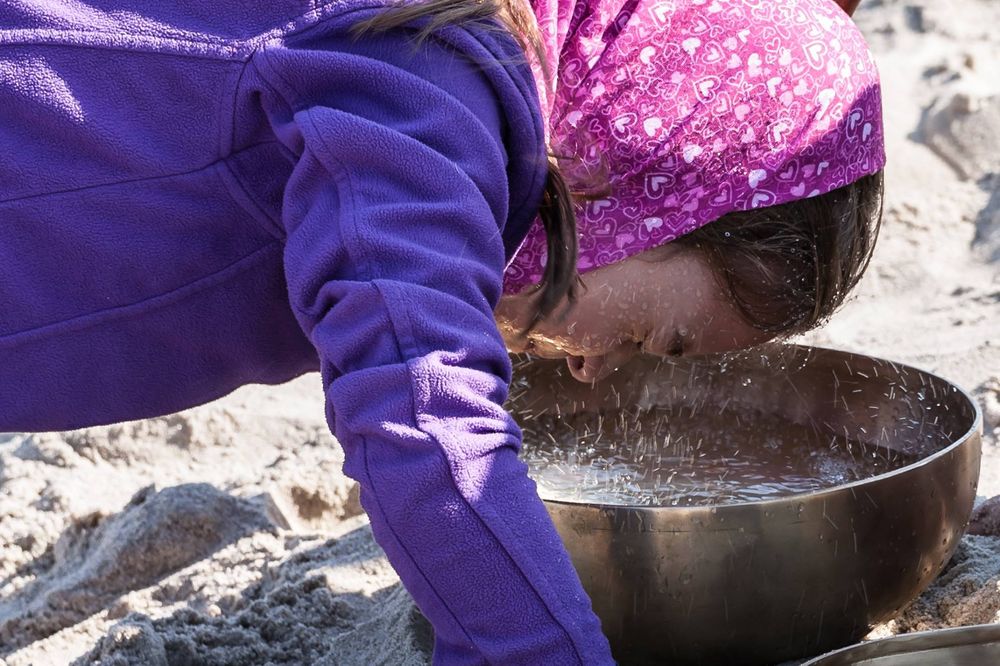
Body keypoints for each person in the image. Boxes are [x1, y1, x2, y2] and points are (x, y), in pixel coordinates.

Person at [0, 1, 883, 664]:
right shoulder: (421, 103)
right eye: (656, 337)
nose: (594, 372)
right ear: (646, 183)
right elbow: (426, 423)